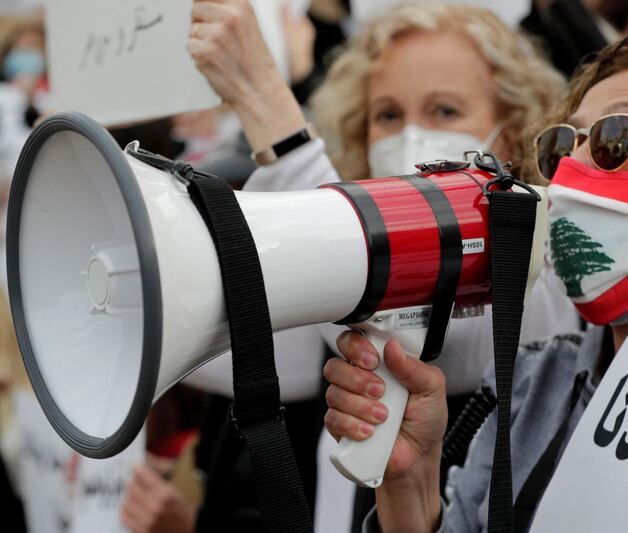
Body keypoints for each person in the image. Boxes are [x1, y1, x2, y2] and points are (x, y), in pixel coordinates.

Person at [325, 33, 628, 531]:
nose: (572, 171)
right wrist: (411, 485)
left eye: (616, 140)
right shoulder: (534, 384)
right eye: (560, 149)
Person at [187, 1, 578, 530]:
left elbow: (460, 339)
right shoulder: (335, 330)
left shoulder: (548, 264)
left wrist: (269, 112)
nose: (411, 136)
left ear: (509, 132)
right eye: (388, 115)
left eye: (444, 111)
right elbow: (229, 340)